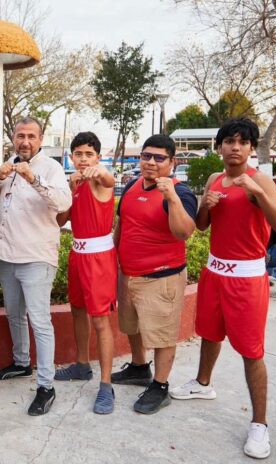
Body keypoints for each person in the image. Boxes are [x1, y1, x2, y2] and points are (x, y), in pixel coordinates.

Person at [170, 119, 276, 459]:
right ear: (219, 146)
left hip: (246, 279)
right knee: (210, 333)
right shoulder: (214, 178)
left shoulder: (260, 180)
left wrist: (259, 195)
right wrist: (206, 205)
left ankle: (260, 424)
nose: (235, 147)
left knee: (251, 351)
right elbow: (202, 227)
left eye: (242, 142)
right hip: (215, 271)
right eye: (229, 141)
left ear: (251, 147)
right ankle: (202, 383)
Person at [0, 116, 72, 416]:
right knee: (14, 314)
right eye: (20, 135)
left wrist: (33, 179)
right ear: (13, 137)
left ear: (41, 139)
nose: (25, 141)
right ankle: (21, 362)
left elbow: (63, 203)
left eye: (31, 136)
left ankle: (46, 386)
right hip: (7, 254)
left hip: (36, 257)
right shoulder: (8, 165)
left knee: (40, 321)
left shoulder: (51, 168)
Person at [112, 134, 197, 415]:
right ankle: (139, 368)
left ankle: (160, 386)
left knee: (163, 335)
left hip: (162, 278)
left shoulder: (181, 193)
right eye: (146, 156)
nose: (150, 162)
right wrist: (112, 258)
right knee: (131, 325)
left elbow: (184, 232)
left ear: (172, 162)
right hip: (129, 274)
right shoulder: (132, 185)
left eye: (159, 158)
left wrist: (171, 197)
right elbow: (123, 224)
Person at [53, 132, 117, 414]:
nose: (83, 159)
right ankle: (82, 364)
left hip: (99, 258)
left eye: (89, 154)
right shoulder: (75, 184)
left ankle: (106, 385)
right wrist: (69, 189)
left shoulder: (100, 180)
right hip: (77, 254)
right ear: (71, 157)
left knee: (101, 321)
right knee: (77, 310)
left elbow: (109, 180)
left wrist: (98, 171)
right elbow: (60, 221)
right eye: (78, 154)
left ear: (98, 157)